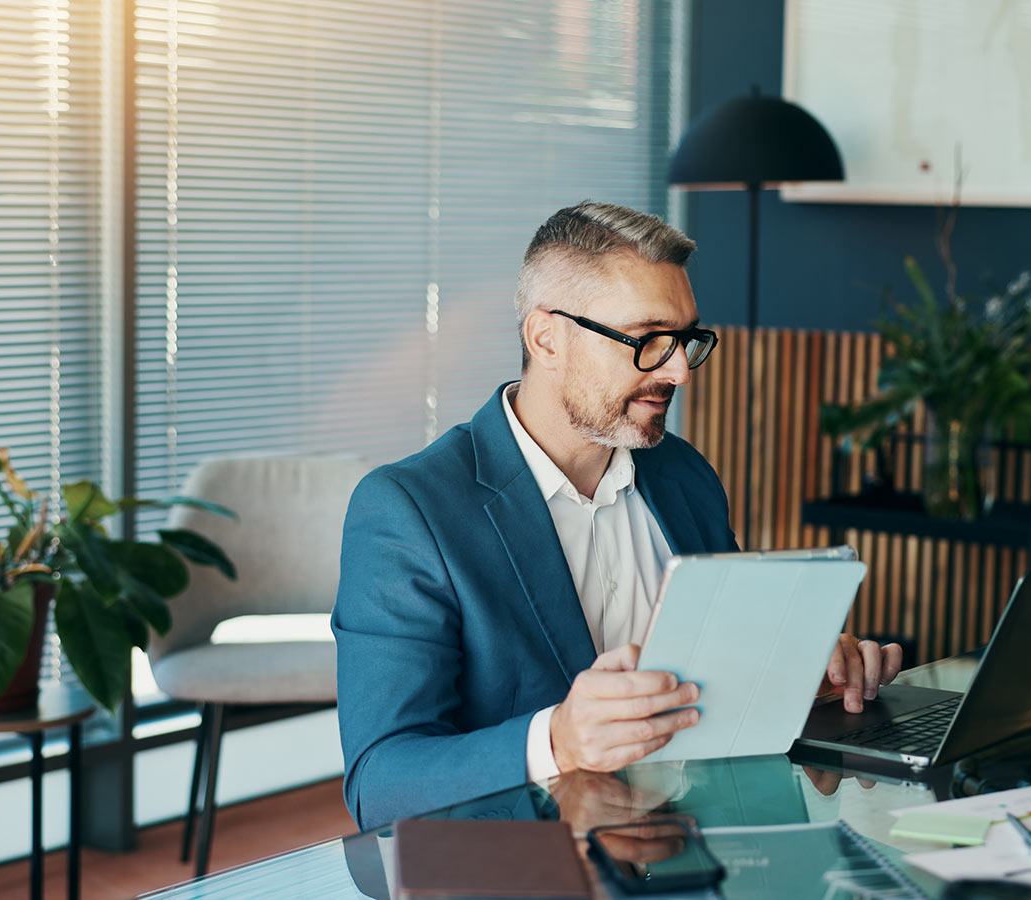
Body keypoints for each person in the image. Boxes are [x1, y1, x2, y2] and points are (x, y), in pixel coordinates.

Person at [332, 201, 902, 829]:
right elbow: (379, 782)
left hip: (696, 849)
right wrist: (559, 741)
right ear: (546, 337)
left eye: (686, 340)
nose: (680, 370)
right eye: (649, 340)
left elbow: (724, 676)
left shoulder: (683, 474)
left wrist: (797, 676)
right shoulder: (409, 511)